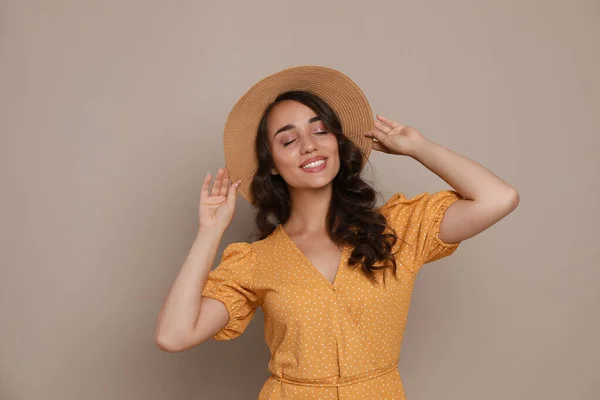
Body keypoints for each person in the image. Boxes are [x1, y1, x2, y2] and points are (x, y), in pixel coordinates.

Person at [155, 66, 519, 399]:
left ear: (337, 145)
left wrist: (418, 148)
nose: (309, 145)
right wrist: (209, 231)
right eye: (288, 140)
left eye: (319, 131)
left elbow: (499, 198)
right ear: (273, 166)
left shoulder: (397, 231)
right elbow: (174, 335)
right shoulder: (255, 261)